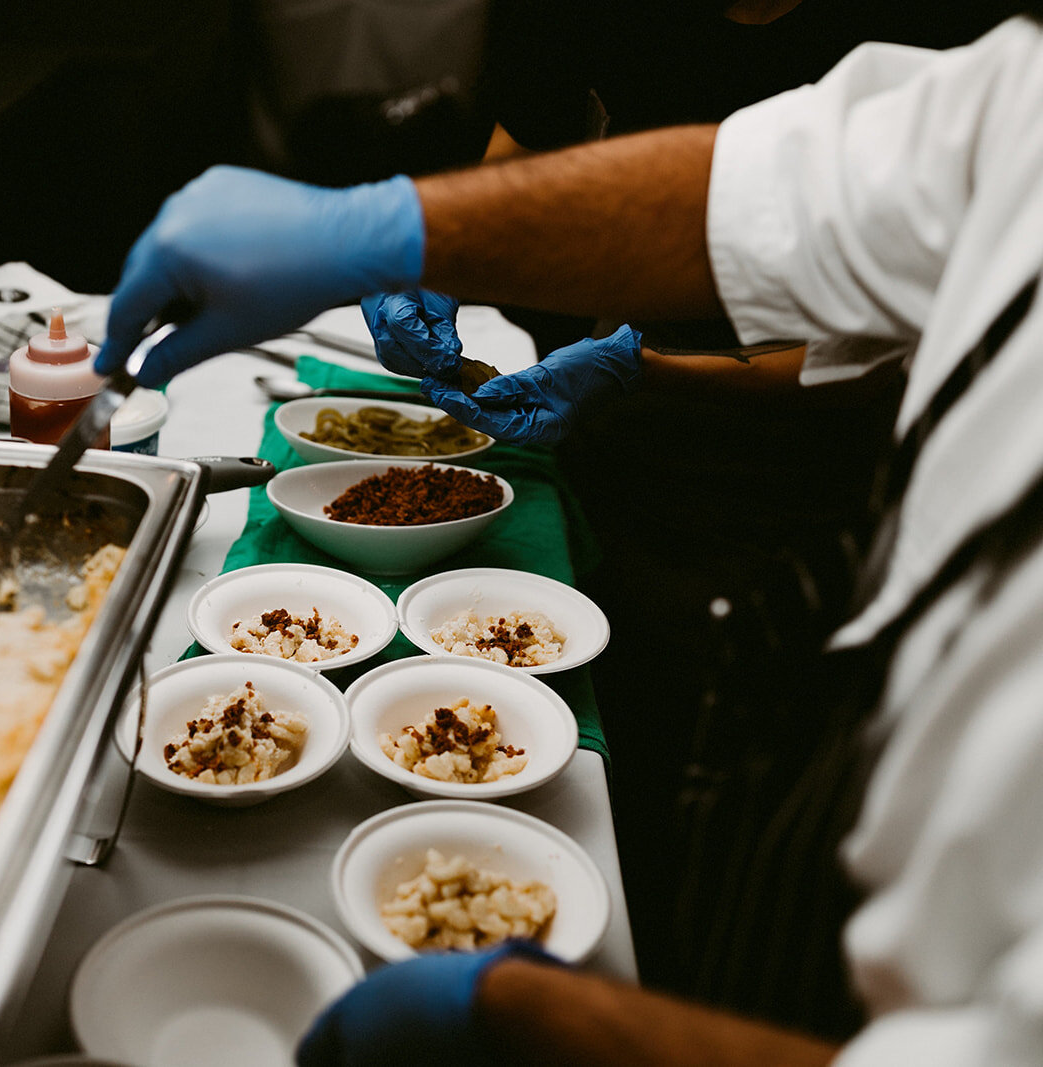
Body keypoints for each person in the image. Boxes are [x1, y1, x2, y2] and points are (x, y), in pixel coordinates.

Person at [94, 11, 1043, 1062]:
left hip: (817, 541)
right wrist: (403, 233)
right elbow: (785, 200)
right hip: (872, 671)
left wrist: (541, 1016)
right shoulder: (1019, 89)